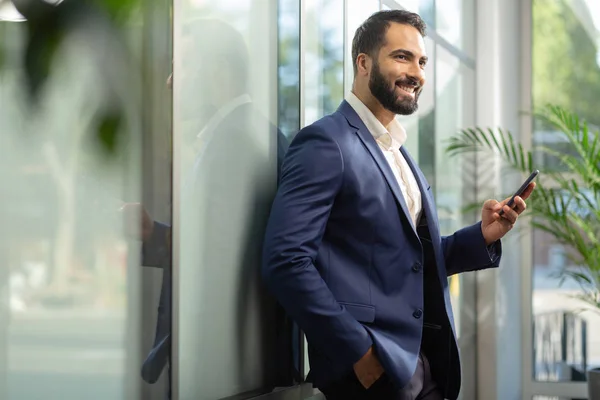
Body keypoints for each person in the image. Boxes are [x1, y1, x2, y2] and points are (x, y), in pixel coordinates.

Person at [261, 10, 534, 400]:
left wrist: (482, 236)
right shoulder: (326, 143)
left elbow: (405, 258)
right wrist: (358, 350)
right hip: (373, 368)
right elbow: (285, 260)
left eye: (422, 61)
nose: (418, 72)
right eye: (402, 57)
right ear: (364, 62)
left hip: (421, 363)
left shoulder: (398, 152)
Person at [121, 19, 292, 399]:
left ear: (217, 71)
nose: (169, 82)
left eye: (180, 67)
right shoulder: (245, 136)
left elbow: (221, 268)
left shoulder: (235, 144)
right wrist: (156, 233)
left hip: (227, 372)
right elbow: (227, 247)